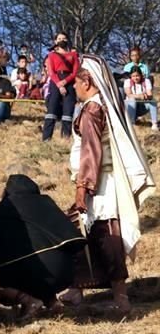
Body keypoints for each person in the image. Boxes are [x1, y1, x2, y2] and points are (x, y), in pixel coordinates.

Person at [60, 64, 156, 315]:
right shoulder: (99, 106)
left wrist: (83, 187)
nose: (73, 86)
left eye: (76, 82)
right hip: (100, 183)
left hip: (101, 186)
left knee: (107, 237)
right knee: (83, 232)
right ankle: (77, 288)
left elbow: (91, 153)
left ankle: (121, 298)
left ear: (87, 82)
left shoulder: (92, 109)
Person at [0, 174, 86, 316]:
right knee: (41, 264)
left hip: (30, 274)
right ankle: (52, 302)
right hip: (65, 273)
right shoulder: (46, 202)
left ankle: (28, 300)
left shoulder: (4, 208)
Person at [43, 38, 79, 141]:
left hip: (69, 82)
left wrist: (65, 82)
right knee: (52, 109)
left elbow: (75, 71)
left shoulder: (73, 55)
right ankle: (46, 138)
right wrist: (59, 84)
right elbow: (51, 71)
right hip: (55, 81)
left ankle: (66, 138)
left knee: (68, 111)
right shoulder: (52, 55)